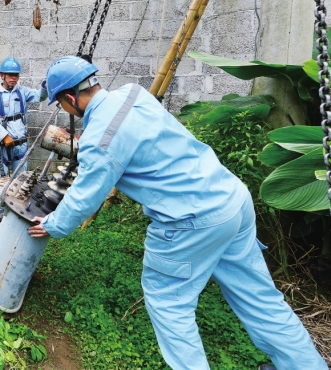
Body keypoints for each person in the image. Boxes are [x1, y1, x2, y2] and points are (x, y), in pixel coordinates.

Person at [27, 55, 327, 370]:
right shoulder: (133, 94)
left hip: (193, 220)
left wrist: (53, 225)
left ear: (71, 98)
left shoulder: (100, 139)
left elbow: (86, 197)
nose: (64, 110)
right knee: (261, 300)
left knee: (169, 302)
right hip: (230, 198)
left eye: (61, 104)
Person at [0, 57, 48, 181]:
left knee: (21, 182)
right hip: (3, 147)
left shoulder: (22, 92)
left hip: (21, 146)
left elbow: (40, 96)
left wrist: (46, 86)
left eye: (16, 75)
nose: (14, 78)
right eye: (10, 75)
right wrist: (4, 136)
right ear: (2, 75)